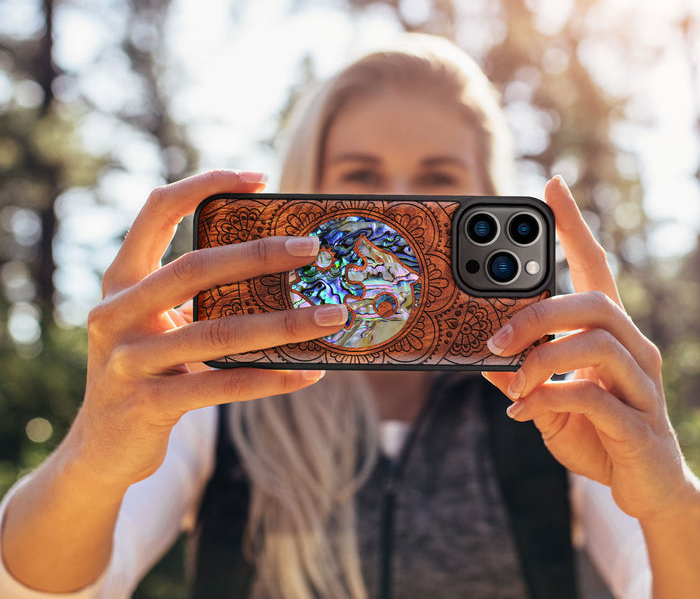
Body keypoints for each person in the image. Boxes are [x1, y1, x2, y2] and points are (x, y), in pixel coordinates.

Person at [1, 34, 699, 599]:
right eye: (361, 177)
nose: (395, 208)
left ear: (486, 198)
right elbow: (48, 588)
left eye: (437, 181)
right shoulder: (218, 394)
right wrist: (94, 456)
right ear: (308, 186)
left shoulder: (553, 401)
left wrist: (670, 503)